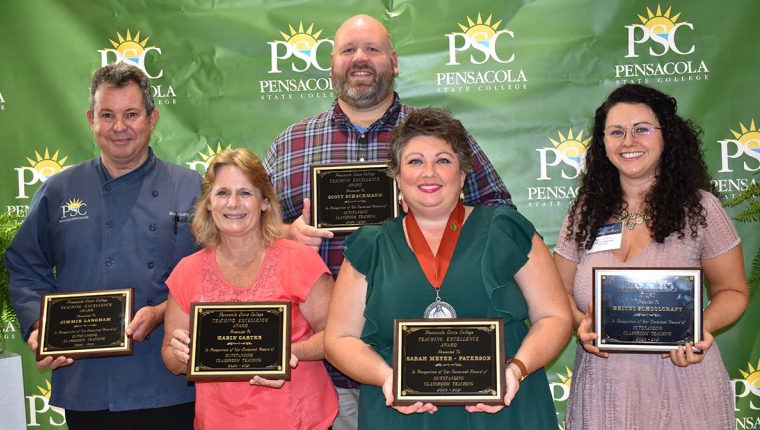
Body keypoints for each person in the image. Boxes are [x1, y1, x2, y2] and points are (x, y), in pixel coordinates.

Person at [263, 14, 514, 428]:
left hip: (425, 359)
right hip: (315, 367)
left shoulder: (436, 136)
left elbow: (500, 215)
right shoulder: (290, 143)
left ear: (394, 61)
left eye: (372, 49)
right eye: (348, 50)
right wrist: (287, 233)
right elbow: (249, 234)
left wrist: (439, 230)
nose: (359, 58)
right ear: (332, 63)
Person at [324, 108, 572, 429]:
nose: (429, 173)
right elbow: (339, 338)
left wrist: (516, 369)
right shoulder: (370, 245)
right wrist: (386, 378)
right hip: (402, 415)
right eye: (415, 161)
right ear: (397, 176)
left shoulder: (505, 229)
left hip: (504, 410)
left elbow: (554, 316)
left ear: (463, 174)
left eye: (443, 160)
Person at [5, 63, 200, 429]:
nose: (119, 127)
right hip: (88, 383)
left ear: (152, 118)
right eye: (107, 115)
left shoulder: (190, 187)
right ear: (90, 119)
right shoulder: (59, 190)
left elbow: (218, 273)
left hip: (170, 378)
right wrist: (39, 326)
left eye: (131, 114)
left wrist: (162, 312)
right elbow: (24, 265)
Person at [553, 84, 749, 429]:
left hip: (684, 383)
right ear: (603, 143)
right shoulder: (583, 212)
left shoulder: (700, 208)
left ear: (666, 136)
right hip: (603, 389)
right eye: (616, 132)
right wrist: (579, 322)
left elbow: (732, 292)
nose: (628, 141)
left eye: (641, 129)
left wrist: (700, 328)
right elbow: (559, 292)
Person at [161, 148, 337, 430]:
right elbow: (170, 355)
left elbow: (336, 337)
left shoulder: (300, 260)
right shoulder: (187, 271)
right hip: (217, 422)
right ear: (208, 203)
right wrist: (181, 355)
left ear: (264, 202)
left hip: (298, 420)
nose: (233, 203)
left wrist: (285, 354)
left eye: (245, 193)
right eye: (222, 193)